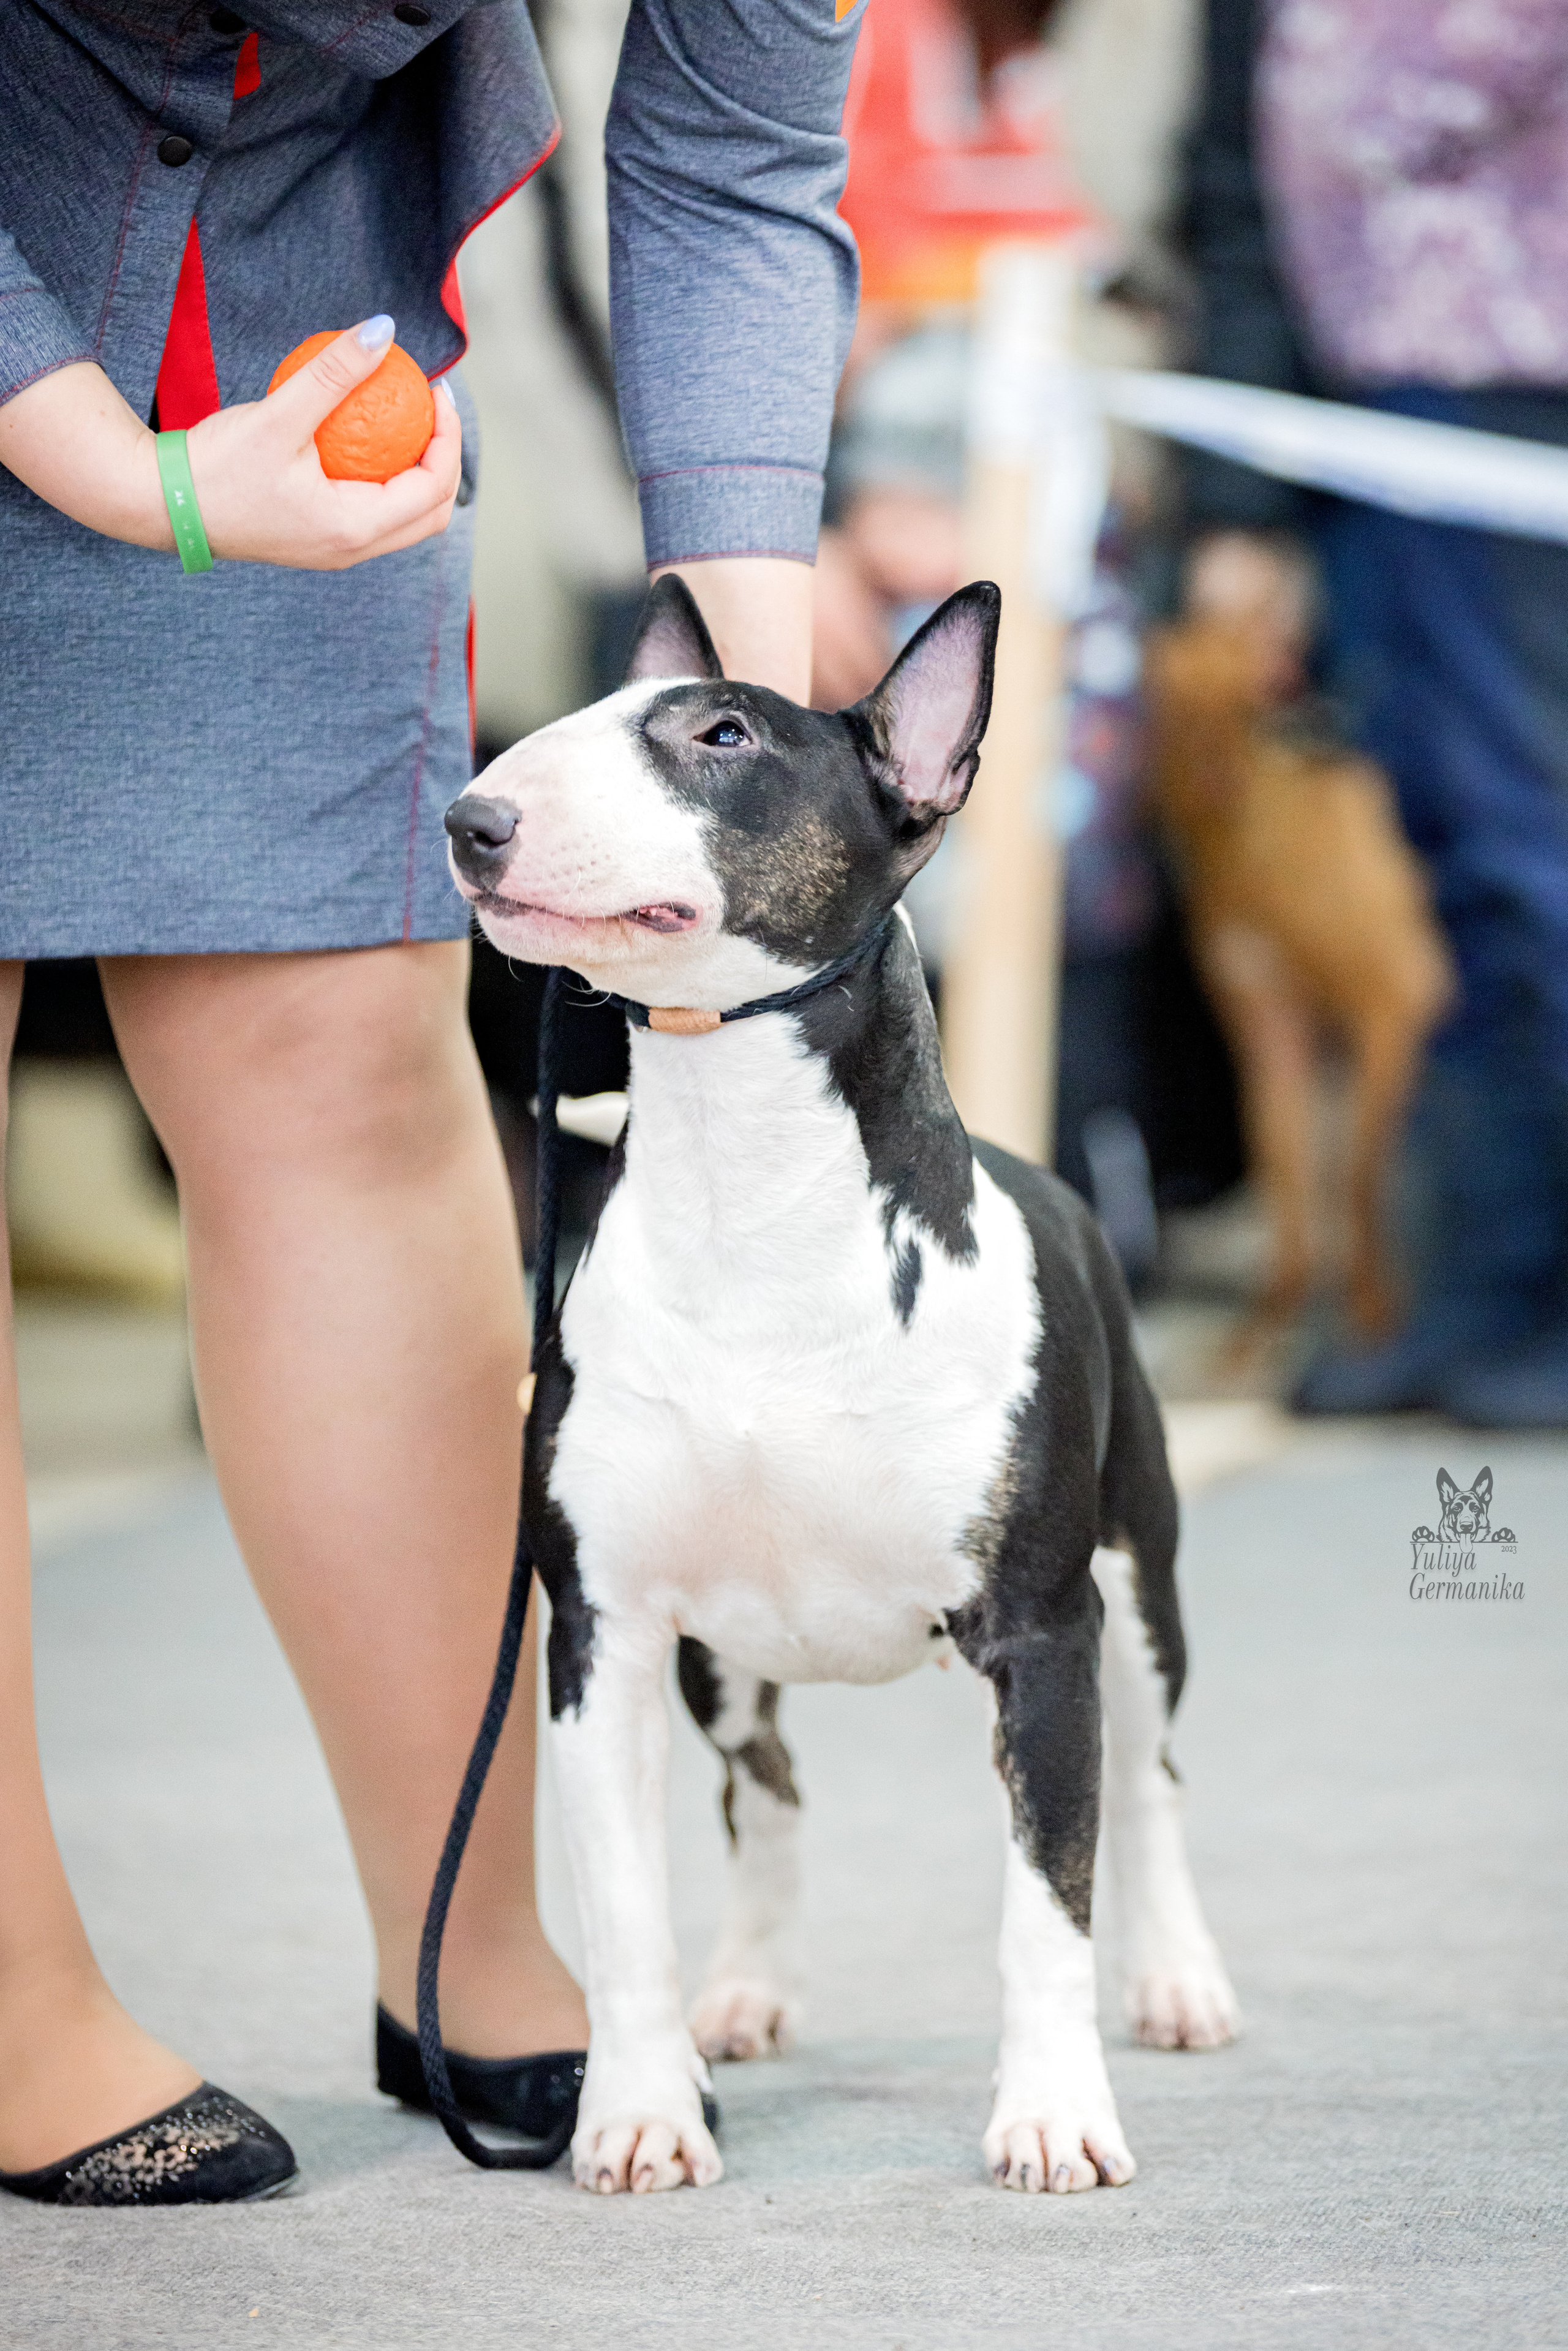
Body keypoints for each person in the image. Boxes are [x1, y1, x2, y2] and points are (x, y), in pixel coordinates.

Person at [0, 0, 862, 2204]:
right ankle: (5, 1989)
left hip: (289, 305)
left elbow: (735, 150)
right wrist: (128, 472)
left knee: (343, 1048)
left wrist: (734, 721)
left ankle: (479, 1936)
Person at [1178, 0, 1568, 1426]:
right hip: (1372, 402)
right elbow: (1246, 151)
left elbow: (1396, 94)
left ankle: (1539, 1304)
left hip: (1521, 397)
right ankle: (1471, 1284)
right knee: (1444, 878)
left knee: (1529, 856)